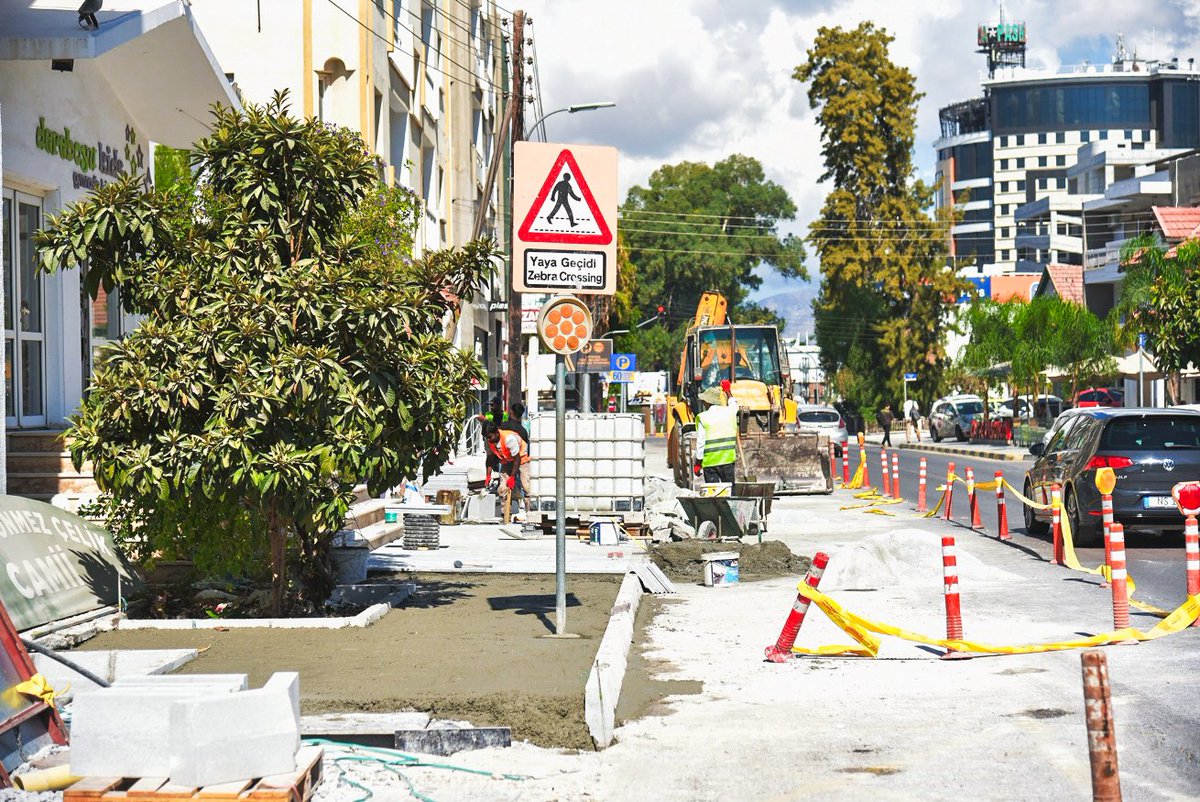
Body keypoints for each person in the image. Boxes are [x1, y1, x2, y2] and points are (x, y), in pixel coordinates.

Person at [694, 381, 740, 484]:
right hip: (727, 461)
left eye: (703, 400)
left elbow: (701, 444)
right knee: (729, 492)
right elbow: (734, 403)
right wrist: (728, 391)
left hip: (710, 464)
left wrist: (698, 463)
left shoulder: (703, 417)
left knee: (713, 493)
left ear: (707, 402)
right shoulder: (730, 412)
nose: (702, 402)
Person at [486, 423, 530, 524]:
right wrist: (488, 475)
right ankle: (505, 515)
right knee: (502, 488)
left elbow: (517, 459)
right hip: (507, 460)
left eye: (490, 436)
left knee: (526, 487)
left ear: (497, 432)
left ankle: (531, 514)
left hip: (521, 458)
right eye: (487, 437)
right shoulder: (489, 441)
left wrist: (512, 477)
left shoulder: (509, 439)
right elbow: (490, 458)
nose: (489, 439)